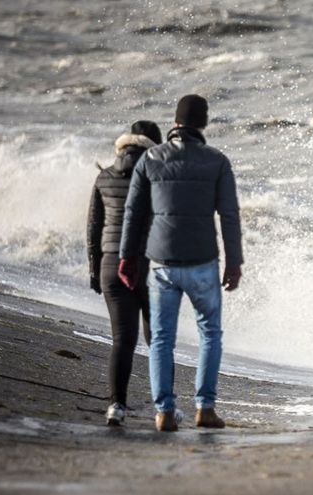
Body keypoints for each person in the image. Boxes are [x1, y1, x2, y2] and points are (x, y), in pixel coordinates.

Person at [118, 94, 244, 432]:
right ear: (203, 124)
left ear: (175, 123)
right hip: (203, 261)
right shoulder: (217, 161)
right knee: (210, 333)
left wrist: (126, 257)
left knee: (161, 338)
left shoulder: (150, 159)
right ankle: (205, 408)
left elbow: (133, 213)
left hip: (161, 263)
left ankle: (164, 412)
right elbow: (230, 215)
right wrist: (235, 262)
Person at [86, 120, 162, 426]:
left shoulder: (103, 176)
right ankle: (164, 408)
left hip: (109, 266)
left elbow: (93, 228)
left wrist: (94, 271)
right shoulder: (156, 176)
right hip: (145, 266)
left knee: (122, 340)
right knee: (158, 339)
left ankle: (116, 406)